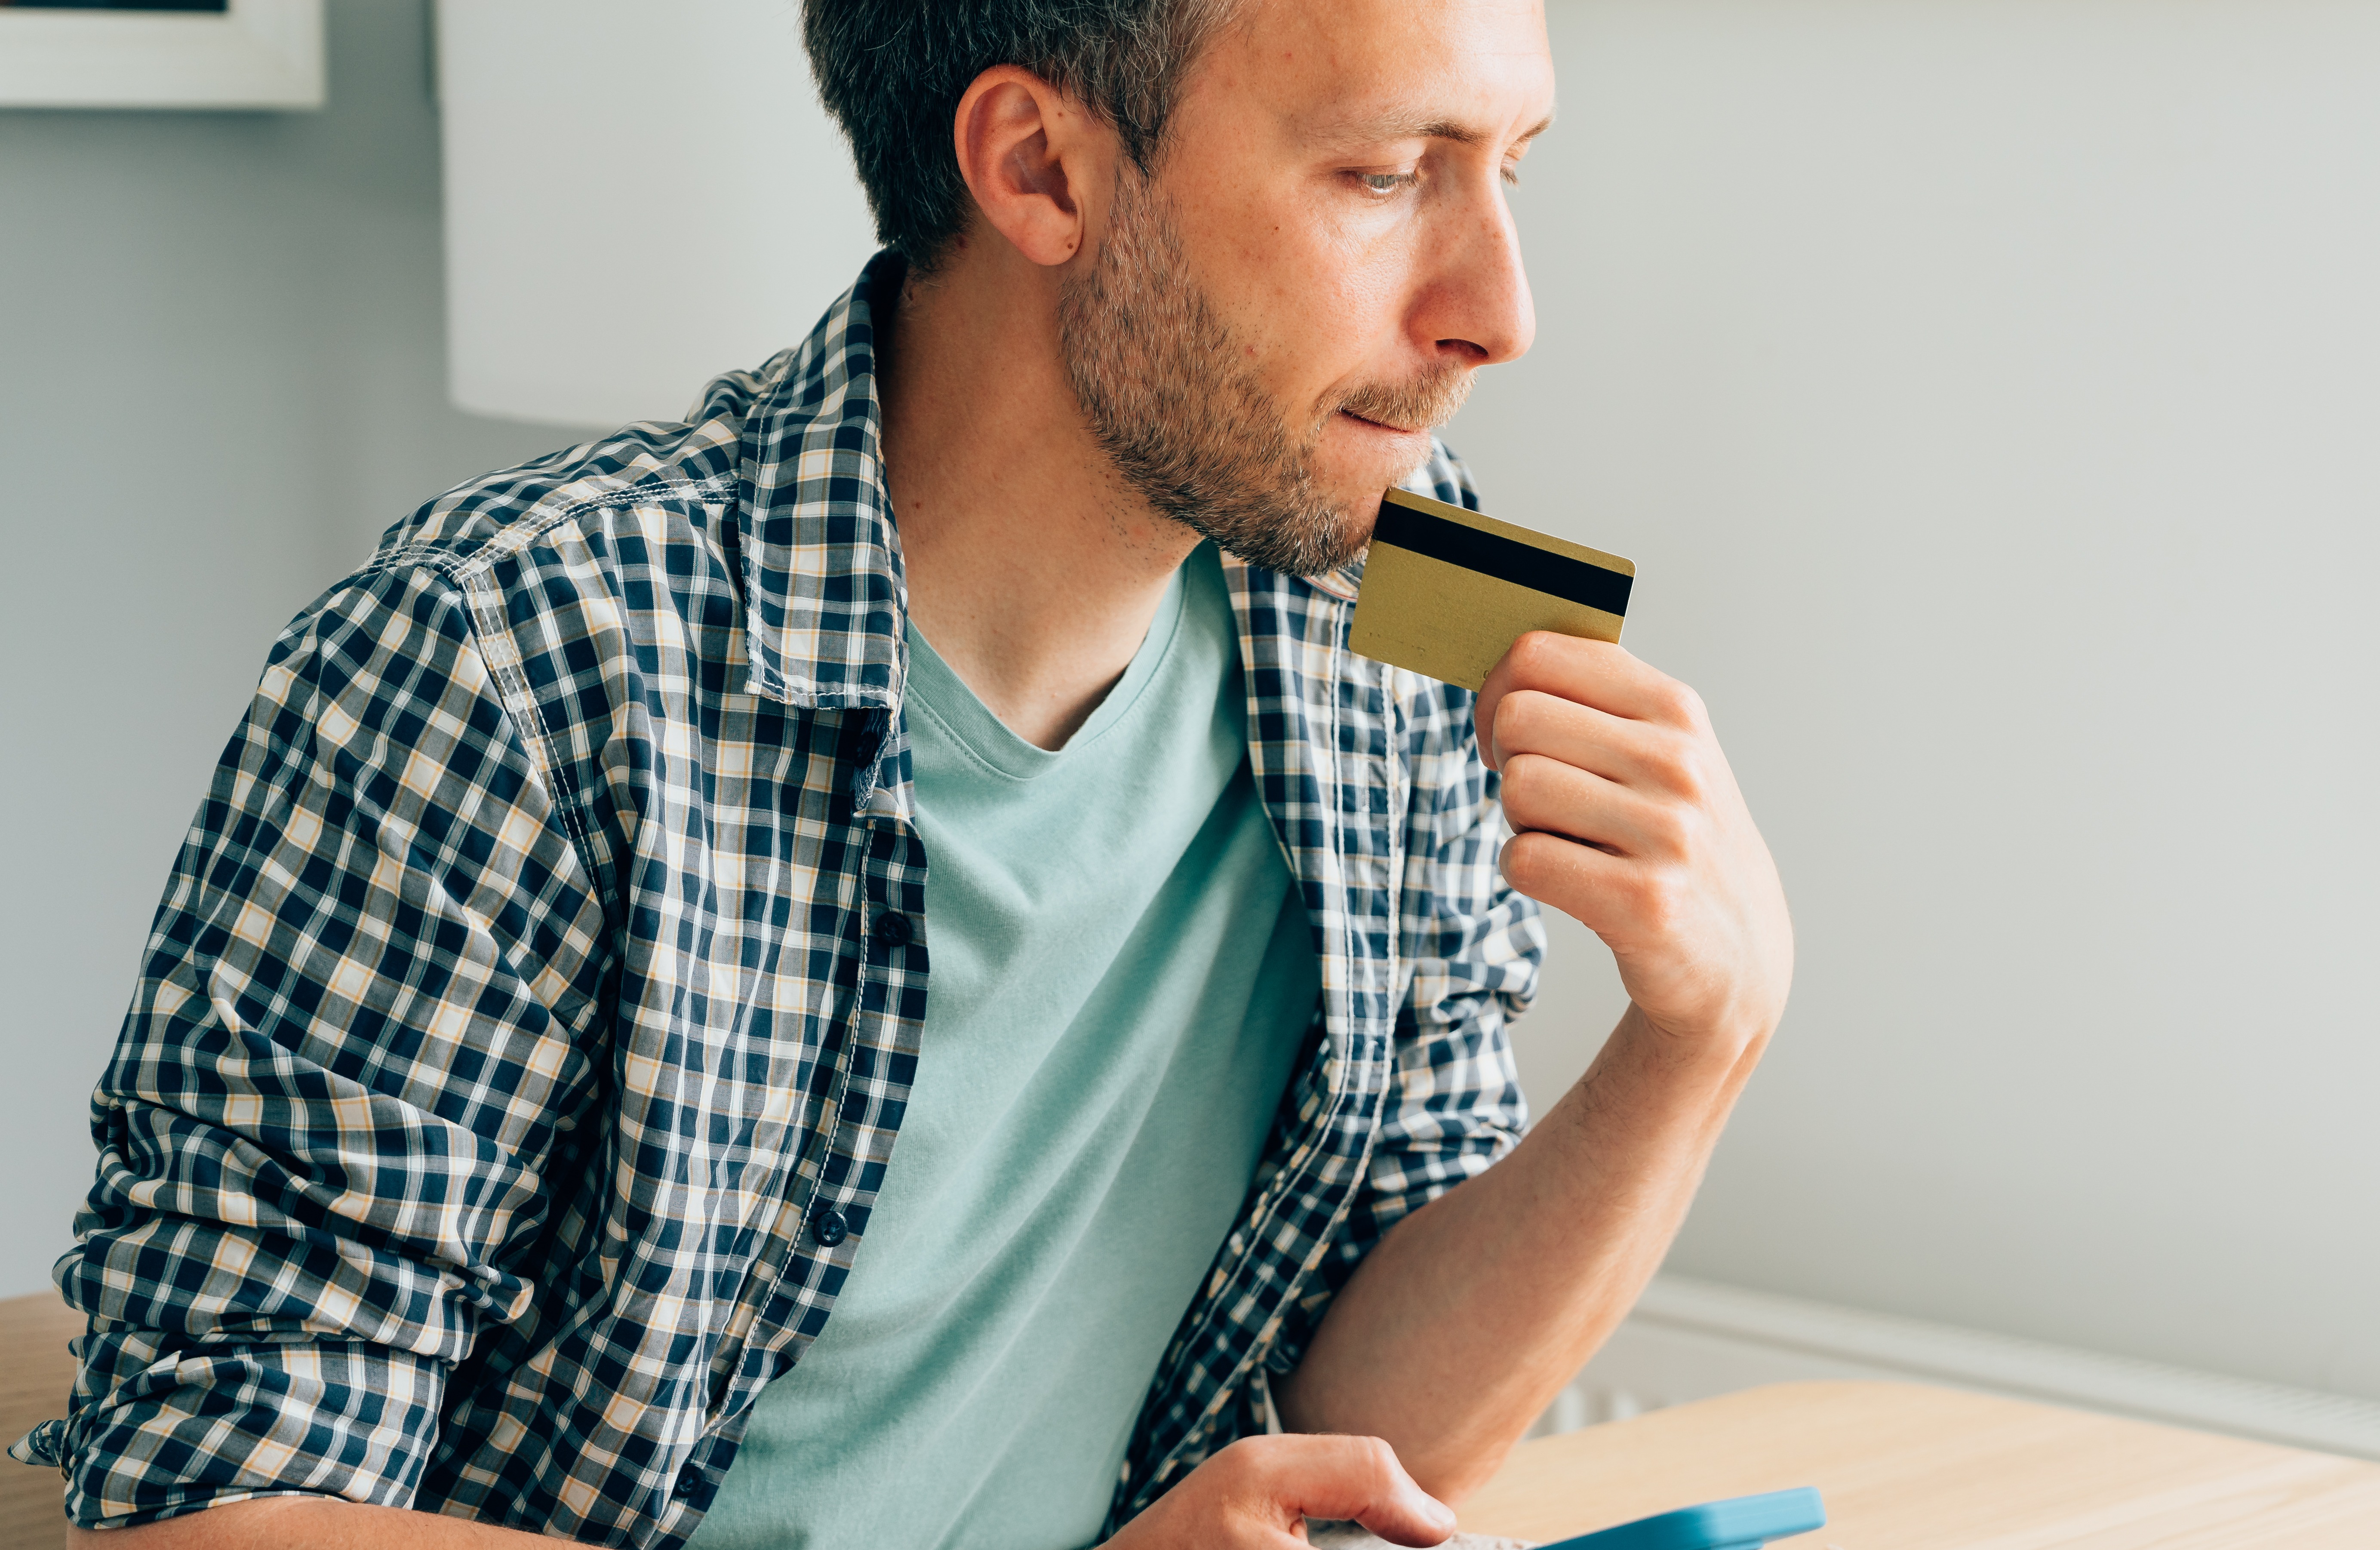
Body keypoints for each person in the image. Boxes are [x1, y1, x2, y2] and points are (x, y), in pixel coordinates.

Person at [13, 0, 1791, 1544]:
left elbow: (1367, 1443)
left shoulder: (1407, 580)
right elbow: (206, 1511)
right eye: (1385, 172)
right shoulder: (503, 664)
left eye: (1513, 165)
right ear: (1037, 170)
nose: (1500, 308)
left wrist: (1692, 1042)